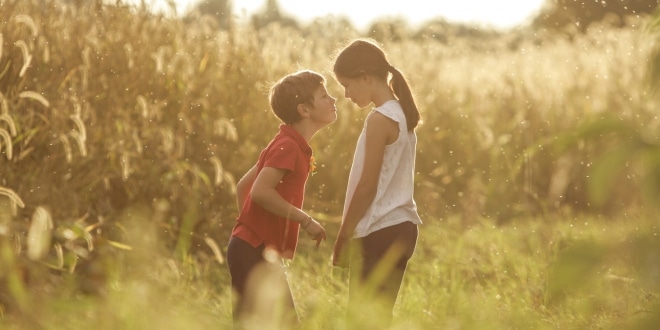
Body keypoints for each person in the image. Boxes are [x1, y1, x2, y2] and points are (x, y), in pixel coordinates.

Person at [226, 70, 336, 328]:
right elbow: (259, 191)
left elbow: (244, 187)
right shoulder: (288, 146)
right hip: (251, 250)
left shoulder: (287, 142)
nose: (333, 100)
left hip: (253, 248)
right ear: (304, 110)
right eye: (324, 95)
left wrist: (257, 234)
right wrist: (305, 220)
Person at [331, 39, 423, 327]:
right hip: (402, 228)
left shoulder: (379, 119)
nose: (346, 94)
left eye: (347, 85)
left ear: (366, 78)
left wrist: (343, 235)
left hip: (380, 230)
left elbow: (368, 185)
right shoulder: (402, 112)